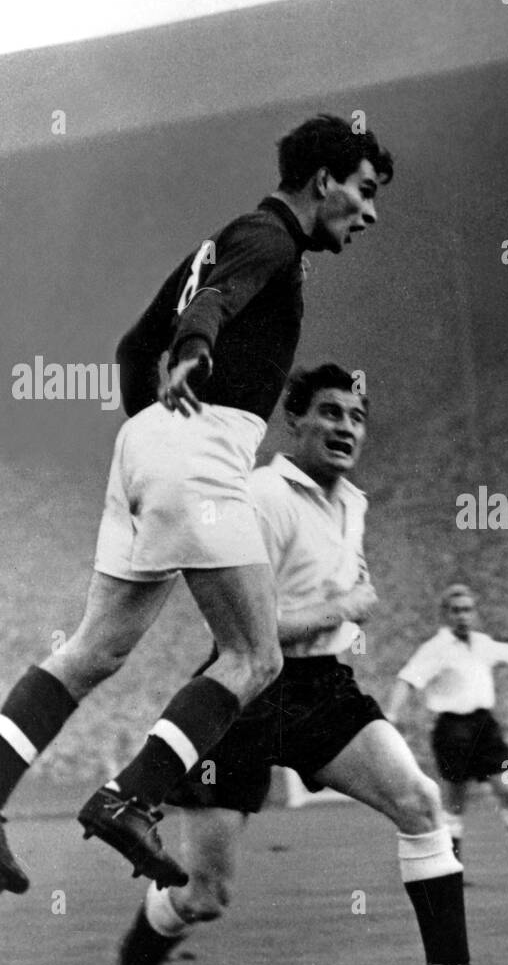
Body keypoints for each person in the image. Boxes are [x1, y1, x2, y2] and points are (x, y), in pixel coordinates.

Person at [0, 116, 392, 894]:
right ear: (324, 182)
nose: (370, 211)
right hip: (201, 445)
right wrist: (194, 354)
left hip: (149, 445)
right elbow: (212, 303)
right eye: (364, 190)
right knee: (256, 655)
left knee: (92, 651)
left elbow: (127, 348)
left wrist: (152, 425)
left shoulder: (226, 237)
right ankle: (130, 797)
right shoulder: (270, 237)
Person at [104, 365, 508, 965]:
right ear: (292, 421)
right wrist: (344, 607)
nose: (345, 427)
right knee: (206, 895)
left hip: (321, 689)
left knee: (419, 803)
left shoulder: (352, 503)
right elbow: (254, 627)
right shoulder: (261, 497)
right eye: (329, 413)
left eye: (356, 417)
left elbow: (337, 604)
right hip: (242, 691)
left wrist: (344, 618)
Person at [387, 588, 508, 881]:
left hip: (486, 728)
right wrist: (391, 716)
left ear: (475, 613)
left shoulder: (482, 643)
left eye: (467, 609)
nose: (462, 615)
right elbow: (407, 679)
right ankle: (451, 870)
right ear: (445, 615)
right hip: (452, 729)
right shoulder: (435, 648)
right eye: (456, 610)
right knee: (456, 803)